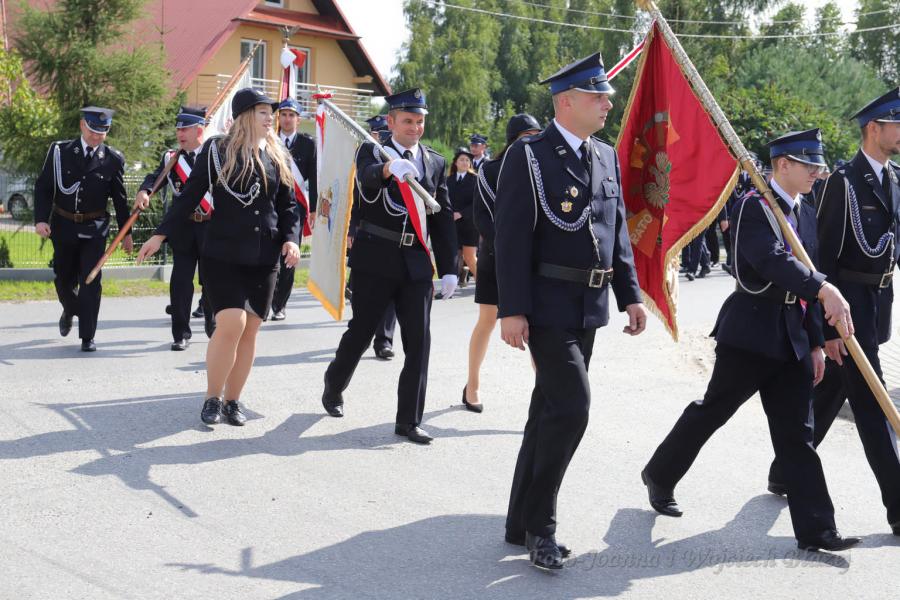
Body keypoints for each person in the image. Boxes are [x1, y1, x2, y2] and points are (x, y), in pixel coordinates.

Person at [641, 129, 861, 552]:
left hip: (794, 336)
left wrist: (817, 342)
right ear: (783, 165)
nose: (816, 172)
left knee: (798, 434)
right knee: (713, 411)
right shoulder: (753, 206)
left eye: (818, 165)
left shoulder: (806, 212)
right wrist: (823, 287)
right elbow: (770, 262)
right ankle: (660, 473)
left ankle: (818, 530)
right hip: (751, 333)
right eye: (808, 164)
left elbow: (808, 279)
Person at [495, 53, 648, 569]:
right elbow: (510, 239)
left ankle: (518, 520)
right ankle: (542, 528)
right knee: (572, 408)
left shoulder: (604, 156)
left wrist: (630, 294)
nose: (607, 104)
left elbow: (617, 232)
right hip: (545, 306)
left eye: (606, 96)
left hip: (589, 306)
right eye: (596, 96)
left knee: (548, 410)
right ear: (565, 102)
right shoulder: (530, 156)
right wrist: (512, 310)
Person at [767, 89, 900, 537]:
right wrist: (826, 330)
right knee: (873, 403)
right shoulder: (843, 181)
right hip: (846, 308)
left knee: (833, 391)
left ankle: (783, 471)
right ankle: (898, 506)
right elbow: (820, 257)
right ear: (874, 129)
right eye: (897, 123)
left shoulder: (895, 179)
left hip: (878, 304)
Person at [136, 88, 302, 426]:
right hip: (223, 253)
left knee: (250, 330)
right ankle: (212, 397)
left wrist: (291, 240)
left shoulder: (277, 155)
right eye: (262, 112)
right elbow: (189, 196)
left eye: (270, 112)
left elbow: (288, 206)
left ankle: (233, 401)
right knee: (231, 323)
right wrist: (160, 233)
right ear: (245, 116)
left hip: (264, 256)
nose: (270, 118)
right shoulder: (217, 150)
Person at [321, 88, 458, 444]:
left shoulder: (434, 162)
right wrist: (386, 169)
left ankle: (408, 420)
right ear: (391, 122)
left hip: (416, 264)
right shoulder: (373, 151)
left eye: (420, 121)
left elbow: (442, 218)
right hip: (375, 259)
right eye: (408, 121)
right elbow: (366, 178)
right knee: (362, 332)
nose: (415, 127)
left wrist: (449, 268)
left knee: (419, 343)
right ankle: (334, 384)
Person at [34, 106, 130, 352]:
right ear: (82, 126)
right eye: (92, 131)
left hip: (94, 229)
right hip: (64, 225)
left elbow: (120, 200)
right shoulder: (60, 152)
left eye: (102, 132)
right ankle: (70, 309)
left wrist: (126, 234)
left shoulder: (113, 159)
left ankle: (88, 336)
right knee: (63, 279)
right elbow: (44, 188)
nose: (97, 136)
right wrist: (41, 219)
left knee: (91, 281)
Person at [463, 113, 541, 413]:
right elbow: (482, 217)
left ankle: (544, 395)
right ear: (512, 141)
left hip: (534, 262)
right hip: (496, 257)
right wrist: (511, 248)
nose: (533, 142)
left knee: (538, 329)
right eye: (526, 137)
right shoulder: (491, 170)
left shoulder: (543, 167)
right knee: (487, 321)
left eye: (536, 135)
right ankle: (472, 385)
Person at [133, 106, 216, 350]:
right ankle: (180, 333)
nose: (180, 134)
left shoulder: (214, 155)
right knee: (180, 282)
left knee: (211, 279)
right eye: (178, 129)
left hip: (211, 226)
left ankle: (212, 322)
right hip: (183, 227)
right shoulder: (172, 158)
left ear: (199, 130)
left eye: (185, 129)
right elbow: (156, 177)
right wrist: (145, 190)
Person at [347, 114, 398, 360]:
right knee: (363, 294)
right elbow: (355, 200)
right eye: (376, 133)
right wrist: (351, 230)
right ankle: (362, 334)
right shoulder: (364, 159)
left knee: (391, 292)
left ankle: (384, 340)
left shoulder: (400, 159)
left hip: (393, 238)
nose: (379, 138)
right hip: (366, 235)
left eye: (382, 133)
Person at [271, 97, 318, 321]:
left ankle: (280, 304)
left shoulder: (308, 144)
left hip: (296, 209)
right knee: (270, 254)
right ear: (278, 118)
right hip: (271, 206)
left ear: (298, 120)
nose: (287, 119)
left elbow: (314, 178)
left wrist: (314, 208)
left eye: (291, 115)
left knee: (290, 256)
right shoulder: (270, 141)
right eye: (283, 114)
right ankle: (267, 298)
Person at [447, 147, 478, 288]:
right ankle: (451, 288)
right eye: (462, 160)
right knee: (454, 256)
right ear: (455, 162)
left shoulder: (475, 179)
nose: (465, 162)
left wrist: (462, 213)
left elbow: (478, 202)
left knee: (469, 257)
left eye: (467, 160)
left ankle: (483, 284)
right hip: (453, 224)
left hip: (470, 224)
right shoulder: (448, 180)